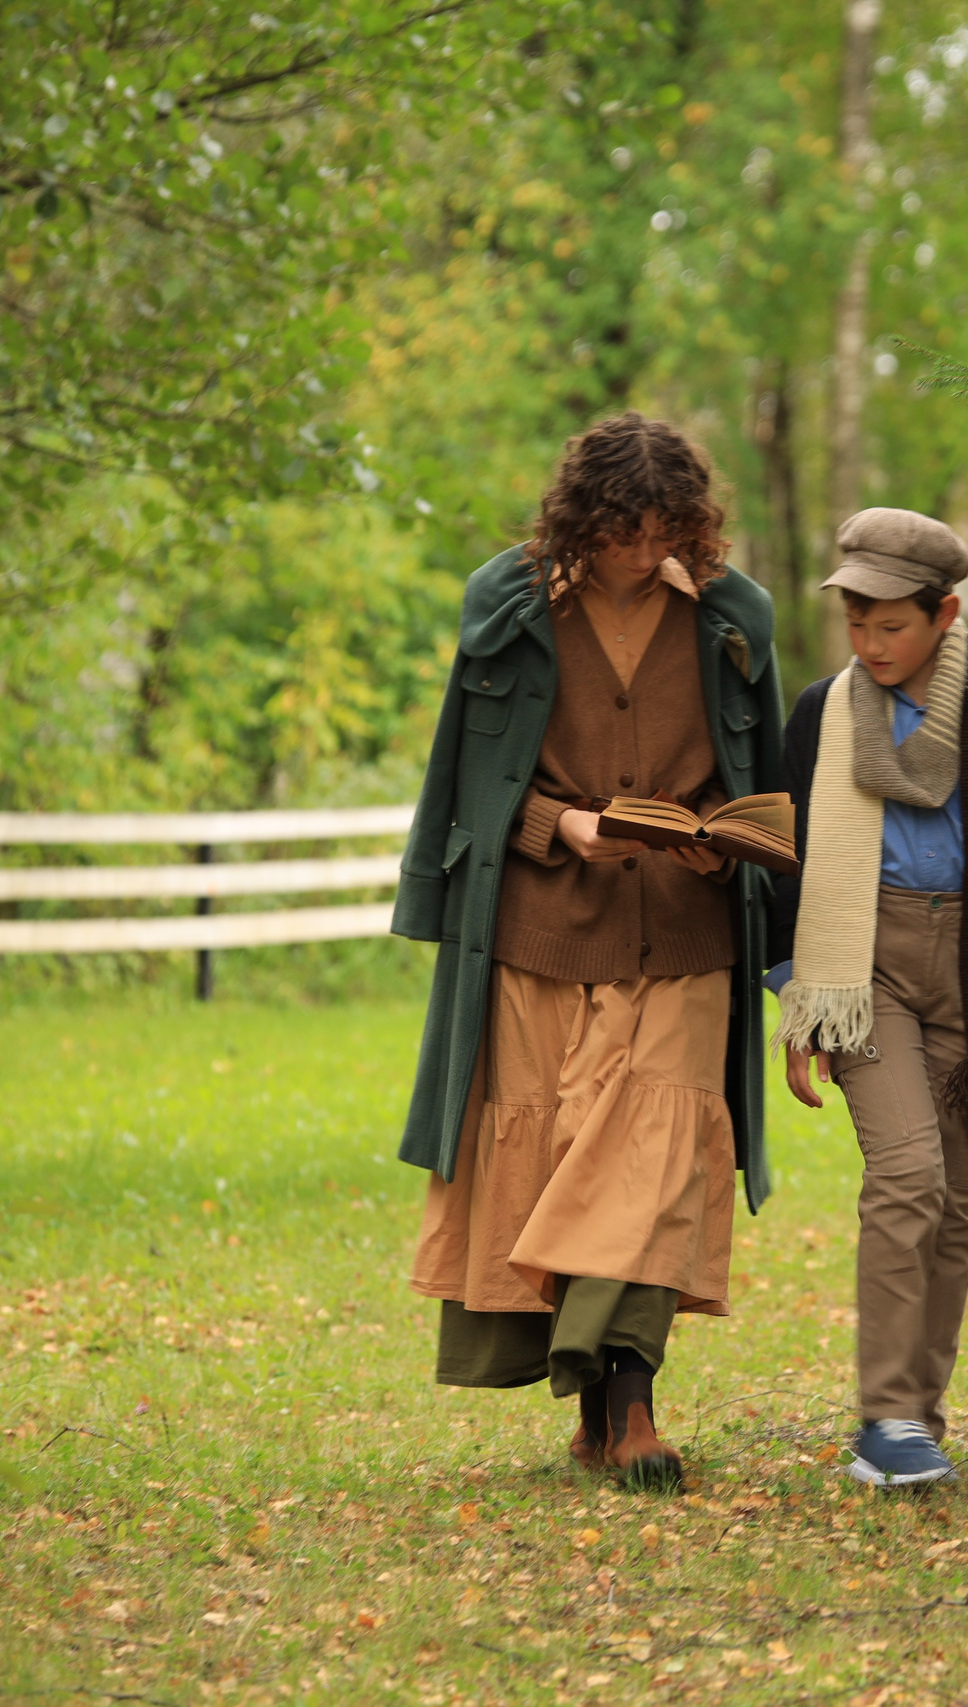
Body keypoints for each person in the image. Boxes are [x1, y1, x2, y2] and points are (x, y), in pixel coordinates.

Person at [389, 414, 786, 1489]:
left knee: (648, 1164)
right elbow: (471, 779)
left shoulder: (733, 616)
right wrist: (558, 827)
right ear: (581, 516)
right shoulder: (508, 606)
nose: (640, 547)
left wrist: (722, 841)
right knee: (562, 1162)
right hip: (540, 931)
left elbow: (762, 780)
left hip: (687, 934)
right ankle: (594, 1407)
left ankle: (635, 1402)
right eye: (621, 526)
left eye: (666, 526)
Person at [767, 508, 968, 1488]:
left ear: (944, 613)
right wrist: (796, 994)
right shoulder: (820, 714)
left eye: (889, 625)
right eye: (855, 624)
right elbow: (780, 862)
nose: (869, 645)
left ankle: (918, 1420)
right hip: (861, 970)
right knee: (905, 1176)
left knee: (951, 1205)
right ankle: (888, 1421)